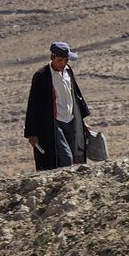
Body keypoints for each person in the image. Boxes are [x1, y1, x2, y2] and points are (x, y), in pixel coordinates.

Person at [24, 41, 92, 171]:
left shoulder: (68, 71)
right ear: (52, 58)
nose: (63, 63)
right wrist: (32, 133)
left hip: (70, 121)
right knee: (66, 158)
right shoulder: (42, 76)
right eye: (60, 60)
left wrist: (81, 122)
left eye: (66, 60)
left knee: (76, 156)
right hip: (53, 124)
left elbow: (75, 97)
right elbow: (33, 105)